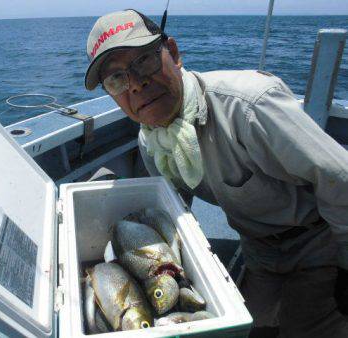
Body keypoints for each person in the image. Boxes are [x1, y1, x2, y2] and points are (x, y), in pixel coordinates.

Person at [84, 9, 348, 338]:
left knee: (306, 327)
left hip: (319, 241)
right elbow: (173, 209)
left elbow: (340, 178)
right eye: (116, 79)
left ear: (174, 54)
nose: (136, 84)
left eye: (144, 61)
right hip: (259, 251)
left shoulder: (249, 106)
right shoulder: (151, 138)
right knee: (248, 328)